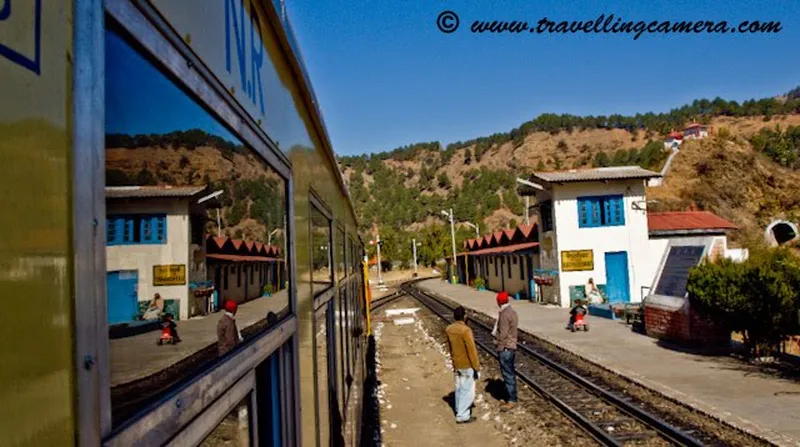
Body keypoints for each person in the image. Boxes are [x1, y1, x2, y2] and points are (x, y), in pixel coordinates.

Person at [445, 306, 481, 424]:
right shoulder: (466, 330)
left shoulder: (449, 329)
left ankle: (458, 409)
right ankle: (462, 415)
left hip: (457, 364)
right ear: (464, 316)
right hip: (467, 364)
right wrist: (476, 366)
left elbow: (450, 348)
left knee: (459, 388)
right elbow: (471, 350)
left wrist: (453, 362)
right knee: (468, 391)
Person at [492, 291, 518, 411]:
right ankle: (510, 395)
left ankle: (511, 399)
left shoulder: (504, 314)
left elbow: (503, 333)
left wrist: (497, 343)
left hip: (505, 348)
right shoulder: (512, 312)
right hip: (512, 346)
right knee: (510, 372)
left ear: (499, 301)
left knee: (507, 373)